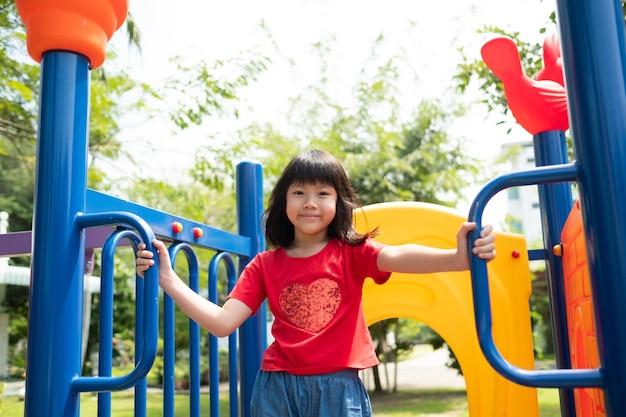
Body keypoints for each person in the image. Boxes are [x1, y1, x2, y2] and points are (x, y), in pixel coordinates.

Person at [136, 149, 496, 417]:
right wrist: (168, 278)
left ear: (338, 202)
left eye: (323, 193)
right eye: (299, 193)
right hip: (277, 389)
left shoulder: (353, 253)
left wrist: (456, 258)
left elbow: (399, 256)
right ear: (284, 202)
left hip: (339, 390)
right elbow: (221, 323)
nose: (310, 203)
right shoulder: (265, 265)